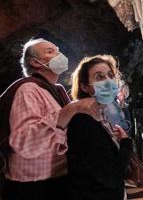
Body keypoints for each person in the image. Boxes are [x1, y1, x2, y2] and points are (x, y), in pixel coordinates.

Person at [1, 38, 100, 200]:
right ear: (35, 62)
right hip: (33, 187)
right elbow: (24, 141)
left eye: (58, 50)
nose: (58, 54)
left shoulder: (56, 90)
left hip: (56, 180)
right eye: (50, 51)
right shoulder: (28, 90)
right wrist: (69, 110)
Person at [68, 55, 133, 200]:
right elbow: (112, 176)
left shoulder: (100, 115)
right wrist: (126, 144)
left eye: (110, 75)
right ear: (85, 87)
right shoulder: (83, 122)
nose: (108, 81)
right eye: (99, 77)